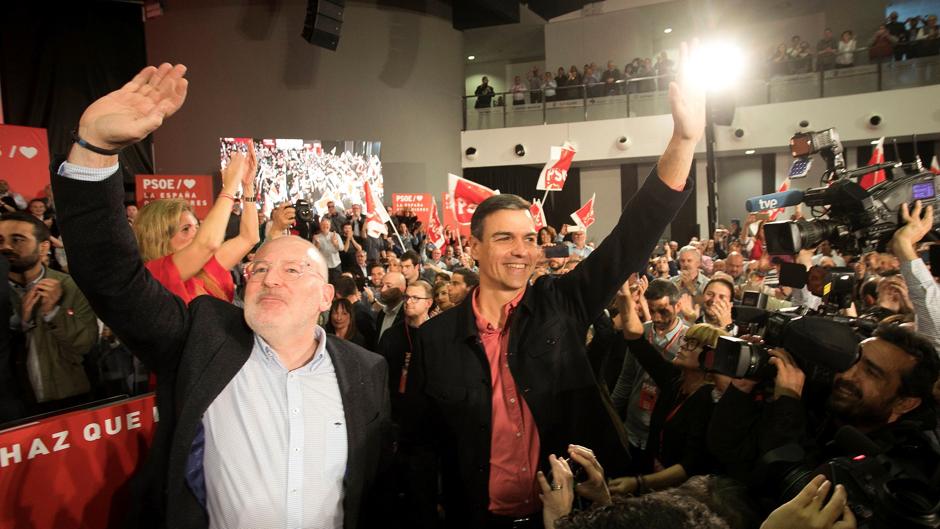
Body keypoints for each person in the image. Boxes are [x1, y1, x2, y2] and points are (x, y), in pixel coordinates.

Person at [53, 62, 390, 529]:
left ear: (326, 297)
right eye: (260, 269)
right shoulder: (201, 340)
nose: (270, 279)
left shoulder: (366, 370)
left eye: (293, 270)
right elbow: (111, 276)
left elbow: (372, 487)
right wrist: (94, 149)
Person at [403, 40, 702, 528]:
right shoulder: (436, 340)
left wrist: (684, 141)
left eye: (528, 238)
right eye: (504, 238)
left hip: (567, 516)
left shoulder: (561, 305)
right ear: (473, 246)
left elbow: (632, 237)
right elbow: (419, 449)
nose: (522, 250)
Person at [133, 148, 259, 305]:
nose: (196, 233)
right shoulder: (154, 274)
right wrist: (230, 186)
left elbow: (249, 238)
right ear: (159, 237)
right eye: (185, 229)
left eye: (197, 226)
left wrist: (247, 185)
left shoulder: (207, 266)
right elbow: (207, 244)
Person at [0, 212, 98, 413]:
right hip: (11, 405)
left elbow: (86, 343)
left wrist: (53, 313)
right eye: (0, 240)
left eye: (17, 239)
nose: (6, 247)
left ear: (44, 246)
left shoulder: (69, 286)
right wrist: (19, 325)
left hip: (67, 398)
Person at [612, 278, 689, 472]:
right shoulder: (641, 332)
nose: (656, 318)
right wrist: (611, 414)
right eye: (652, 310)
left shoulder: (689, 344)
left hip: (662, 436)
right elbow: (626, 378)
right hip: (631, 428)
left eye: (663, 311)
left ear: (678, 305)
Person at [377, 271, 406, 341]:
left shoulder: (406, 315)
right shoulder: (382, 313)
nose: (383, 290)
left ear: (402, 288)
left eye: (388, 286)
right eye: (382, 285)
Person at [313, 218, 343, 283]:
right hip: (324, 266)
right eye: (323, 225)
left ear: (330, 226)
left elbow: (341, 248)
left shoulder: (335, 235)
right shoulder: (316, 237)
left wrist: (335, 243)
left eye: (327, 224)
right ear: (320, 226)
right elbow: (314, 253)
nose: (325, 226)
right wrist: (317, 244)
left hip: (336, 265)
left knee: (337, 285)